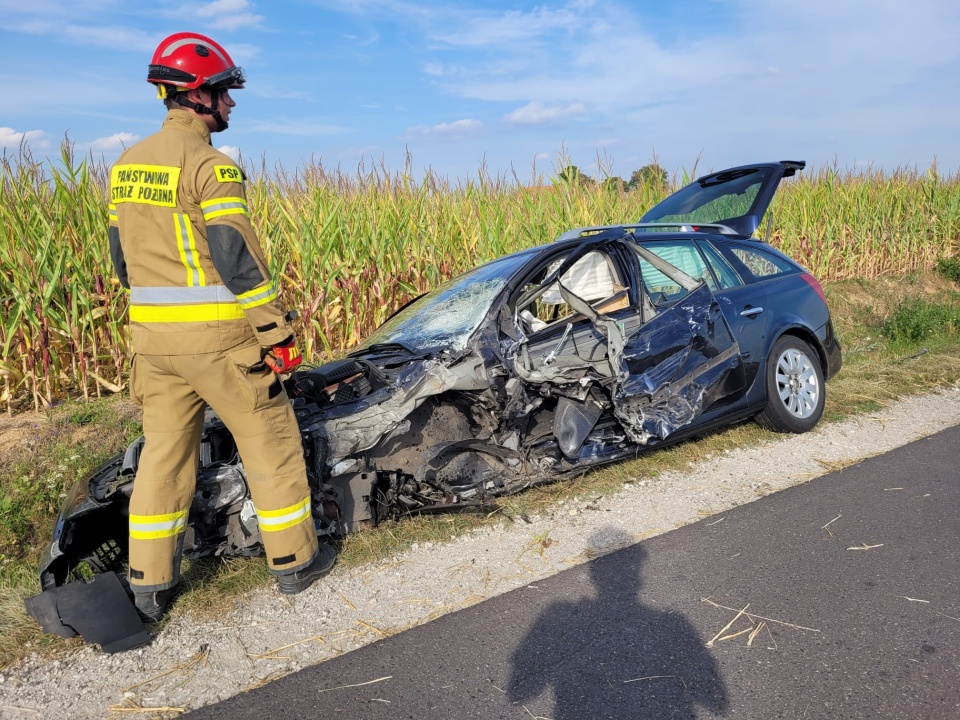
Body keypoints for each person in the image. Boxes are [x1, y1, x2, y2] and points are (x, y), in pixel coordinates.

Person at [107, 31, 335, 622]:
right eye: (226, 93)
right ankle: (294, 561)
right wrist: (275, 333)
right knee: (270, 439)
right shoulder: (212, 166)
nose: (232, 104)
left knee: (163, 456)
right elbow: (235, 257)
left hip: (153, 345)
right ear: (197, 96)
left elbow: (122, 260)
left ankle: (149, 584)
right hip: (218, 340)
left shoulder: (126, 166)